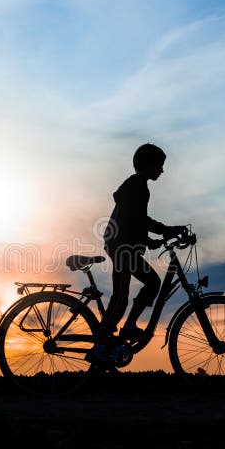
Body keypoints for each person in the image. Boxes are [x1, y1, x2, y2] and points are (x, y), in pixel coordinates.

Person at [86, 143, 186, 365]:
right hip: (122, 247)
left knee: (151, 282)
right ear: (149, 164)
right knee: (121, 299)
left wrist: (149, 239)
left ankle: (127, 327)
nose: (162, 170)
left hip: (125, 245)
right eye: (160, 165)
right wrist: (166, 230)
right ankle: (100, 347)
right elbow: (138, 219)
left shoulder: (137, 185)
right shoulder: (138, 186)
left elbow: (133, 220)